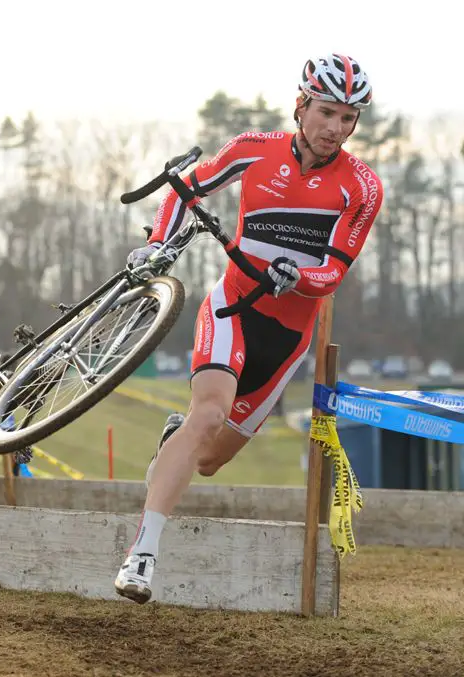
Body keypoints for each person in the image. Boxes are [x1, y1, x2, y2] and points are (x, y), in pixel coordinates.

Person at [114, 54, 383, 603]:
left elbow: (334, 269)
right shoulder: (251, 150)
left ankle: (179, 438)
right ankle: (141, 556)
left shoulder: (362, 186)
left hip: (286, 338)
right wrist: (158, 245)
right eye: (327, 112)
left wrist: (300, 275)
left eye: (348, 118)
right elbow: (186, 189)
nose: (336, 128)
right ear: (302, 106)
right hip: (231, 310)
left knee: (209, 458)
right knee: (209, 411)